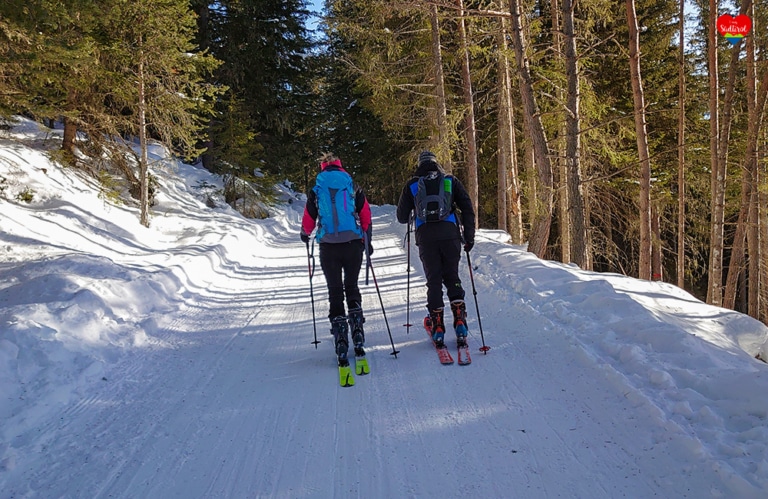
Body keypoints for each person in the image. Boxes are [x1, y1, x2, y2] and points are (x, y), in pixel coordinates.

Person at [396, 151, 475, 348]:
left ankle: (438, 325)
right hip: (450, 234)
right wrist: (469, 237)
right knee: (452, 277)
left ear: (419, 165)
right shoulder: (449, 181)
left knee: (434, 280)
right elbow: (467, 207)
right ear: (436, 163)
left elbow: (401, 217)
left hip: (426, 237)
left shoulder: (412, 185)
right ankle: (459, 321)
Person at [301, 153, 373, 367]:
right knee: (351, 285)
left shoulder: (316, 189)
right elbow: (365, 214)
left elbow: (309, 219)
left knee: (334, 290)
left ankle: (341, 337)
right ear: (340, 165)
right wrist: (366, 238)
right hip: (353, 243)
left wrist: (305, 234)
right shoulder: (352, 185)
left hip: (328, 246)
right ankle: (357, 330)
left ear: (323, 167)